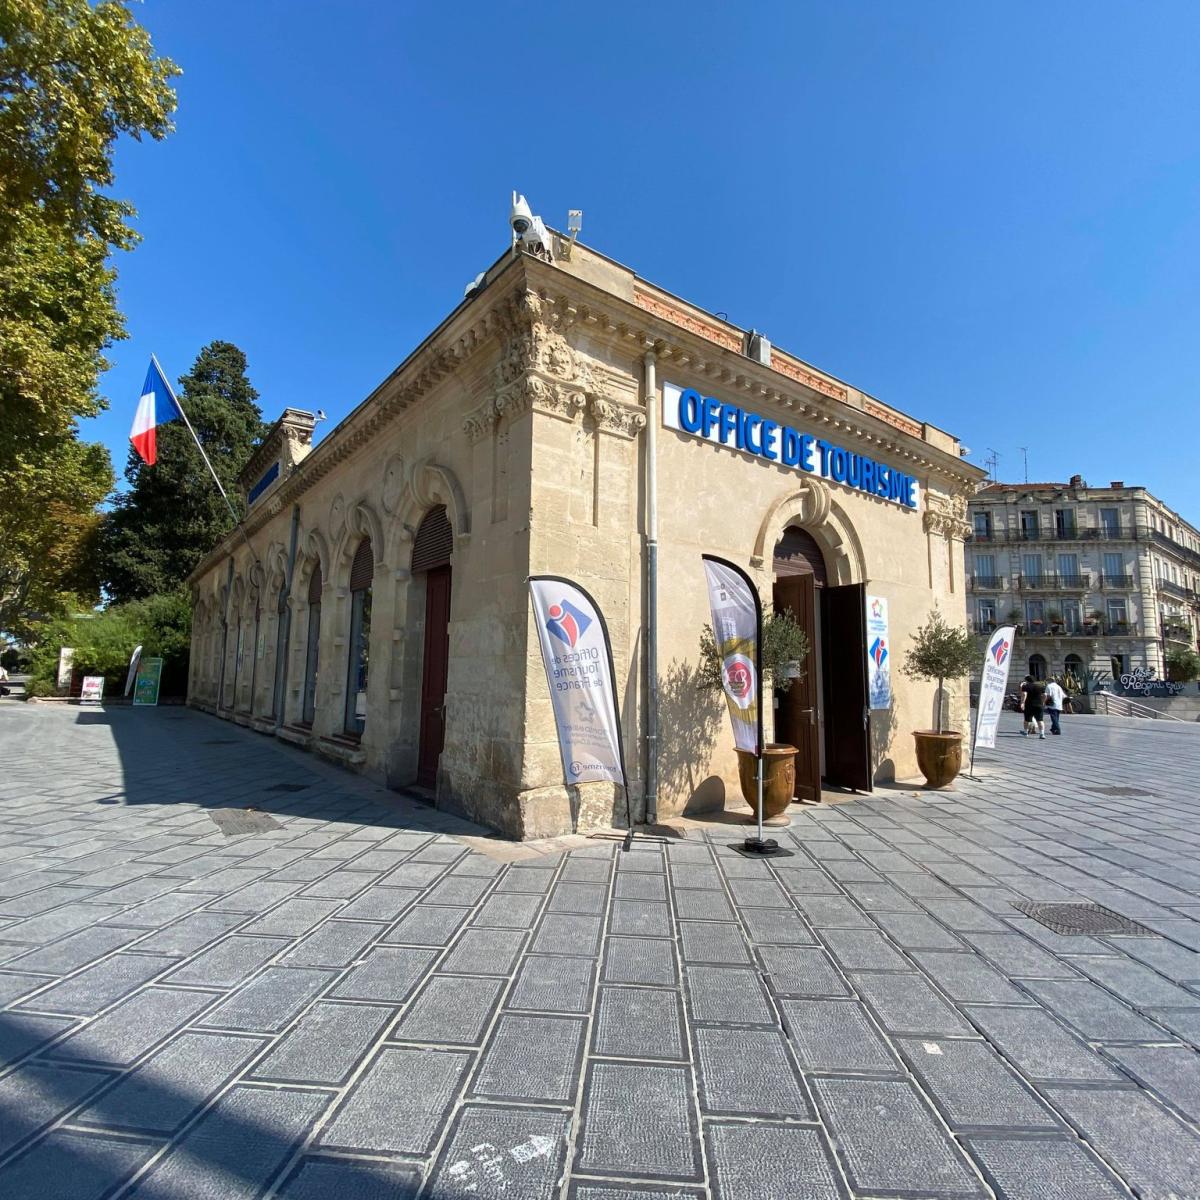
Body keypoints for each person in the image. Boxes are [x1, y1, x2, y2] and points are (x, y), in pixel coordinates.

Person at [1020, 674, 1046, 739]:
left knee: (1027, 720)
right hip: (1039, 705)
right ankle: (1042, 734)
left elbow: (1024, 694)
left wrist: (1022, 703)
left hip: (1029, 705)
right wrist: (1043, 702)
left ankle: (1025, 733)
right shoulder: (1041, 686)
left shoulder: (1025, 686)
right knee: (1040, 720)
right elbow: (1045, 695)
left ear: (1027, 680)